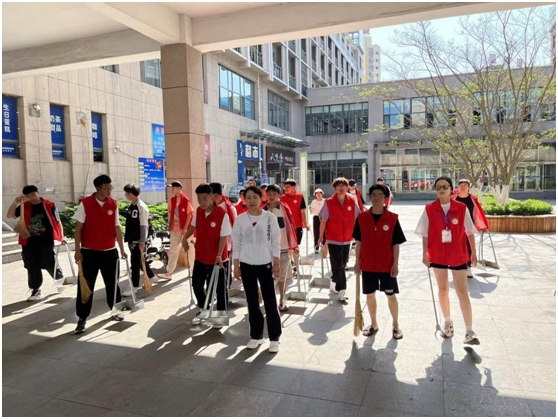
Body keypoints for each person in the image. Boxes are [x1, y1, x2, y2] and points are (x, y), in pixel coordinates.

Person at [415, 176, 480, 345]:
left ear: (452, 189)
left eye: (445, 186)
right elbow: (425, 233)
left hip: (458, 253)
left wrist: (473, 253)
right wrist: (425, 254)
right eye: (438, 187)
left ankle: (469, 330)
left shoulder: (461, 208)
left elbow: (469, 232)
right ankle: (447, 323)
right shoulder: (429, 209)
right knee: (443, 289)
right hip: (437, 253)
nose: (441, 189)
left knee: (462, 291)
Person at [73, 174, 128, 334]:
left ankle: (117, 310)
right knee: (86, 285)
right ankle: (82, 318)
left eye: (110, 187)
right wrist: (77, 251)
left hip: (110, 252)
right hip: (89, 252)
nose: (109, 191)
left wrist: (122, 249)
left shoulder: (113, 204)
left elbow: (117, 227)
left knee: (113, 283)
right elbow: (78, 228)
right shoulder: (85, 204)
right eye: (106, 188)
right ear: (97, 188)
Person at [232, 186, 282, 353]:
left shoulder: (269, 218)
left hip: (265, 263)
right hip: (246, 264)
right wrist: (236, 265)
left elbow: (275, 242)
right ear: (244, 199)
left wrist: (276, 264)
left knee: (270, 301)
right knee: (252, 301)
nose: (252, 201)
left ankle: (274, 338)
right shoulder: (240, 219)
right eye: (248, 197)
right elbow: (236, 243)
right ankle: (256, 336)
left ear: (261, 199)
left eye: (255, 197)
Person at [353, 184, 406, 339]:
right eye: (374, 195)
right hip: (368, 265)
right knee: (370, 295)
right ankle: (374, 324)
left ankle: (395, 325)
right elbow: (358, 241)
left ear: (386, 199)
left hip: (386, 265)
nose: (376, 198)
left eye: (380, 195)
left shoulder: (393, 218)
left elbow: (396, 244)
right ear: (369, 197)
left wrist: (395, 264)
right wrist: (357, 262)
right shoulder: (362, 218)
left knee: (391, 295)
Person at [183, 184, 232, 325]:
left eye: (205, 199)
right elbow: (193, 226)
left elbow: (223, 237)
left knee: (220, 289)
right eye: (199, 199)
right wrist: (184, 238)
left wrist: (219, 255)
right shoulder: (198, 211)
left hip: (218, 258)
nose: (202, 202)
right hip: (201, 256)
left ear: (212, 197)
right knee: (197, 285)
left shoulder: (222, 214)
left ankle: (220, 315)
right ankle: (204, 308)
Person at [6, 185, 66, 301]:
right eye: (28, 195)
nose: (32, 197)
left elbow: (58, 221)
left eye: (33, 194)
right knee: (31, 266)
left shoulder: (49, 205)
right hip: (28, 241)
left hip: (46, 241)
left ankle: (59, 278)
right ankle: (35, 290)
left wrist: (61, 236)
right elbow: (10, 216)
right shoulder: (24, 206)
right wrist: (15, 202)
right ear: (25, 196)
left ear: (38, 192)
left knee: (49, 263)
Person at [318, 177, 360, 301]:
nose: (341, 188)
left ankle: (333, 281)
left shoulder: (351, 201)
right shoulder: (329, 202)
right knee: (339, 265)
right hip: (333, 238)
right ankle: (342, 290)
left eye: (343, 186)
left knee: (343, 262)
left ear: (347, 187)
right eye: (338, 186)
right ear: (334, 188)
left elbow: (358, 218)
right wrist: (320, 237)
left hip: (347, 238)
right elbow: (323, 221)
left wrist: (359, 235)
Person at [264, 184, 299, 311]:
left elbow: (290, 227)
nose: (271, 196)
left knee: (282, 276)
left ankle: (281, 300)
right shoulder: (263, 210)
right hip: (266, 249)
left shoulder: (284, 209)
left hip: (282, 247)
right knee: (266, 276)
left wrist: (294, 245)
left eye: (274, 194)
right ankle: (269, 300)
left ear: (279, 195)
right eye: (269, 194)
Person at [122, 183, 156, 297]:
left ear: (131, 194)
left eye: (126, 193)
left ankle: (134, 286)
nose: (126, 195)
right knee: (139, 260)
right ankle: (152, 277)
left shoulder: (141, 206)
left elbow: (144, 225)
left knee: (135, 263)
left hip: (137, 240)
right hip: (132, 238)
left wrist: (142, 241)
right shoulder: (132, 205)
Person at [157, 181, 194, 282]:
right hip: (174, 229)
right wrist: (170, 227)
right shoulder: (172, 200)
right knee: (173, 251)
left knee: (189, 250)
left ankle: (192, 270)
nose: (172, 190)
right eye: (171, 188)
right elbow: (171, 213)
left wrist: (185, 228)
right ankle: (169, 273)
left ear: (179, 188)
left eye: (173, 188)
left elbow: (190, 214)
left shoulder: (185, 200)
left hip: (185, 230)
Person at [452, 179, 489, 278]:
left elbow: (478, 213)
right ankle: (458, 265)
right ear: (458, 187)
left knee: (468, 246)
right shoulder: (453, 199)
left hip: (468, 227)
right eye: (461, 185)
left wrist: (482, 226)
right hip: (455, 227)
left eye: (465, 185)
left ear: (469, 188)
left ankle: (468, 267)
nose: (463, 187)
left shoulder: (472, 199)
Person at [281, 179, 310, 245]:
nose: (286, 189)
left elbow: (302, 212)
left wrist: (305, 224)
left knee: (296, 245)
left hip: (297, 226)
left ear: (293, 187)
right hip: (285, 225)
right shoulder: (282, 198)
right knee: (287, 245)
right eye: (285, 187)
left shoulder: (300, 197)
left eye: (288, 187)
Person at [309, 188, 326, 252]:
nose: (318, 195)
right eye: (317, 193)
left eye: (320, 193)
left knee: (324, 232)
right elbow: (311, 211)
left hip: (323, 217)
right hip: (316, 217)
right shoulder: (313, 202)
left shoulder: (325, 201)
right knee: (316, 232)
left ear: (322, 194)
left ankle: (324, 246)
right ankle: (316, 247)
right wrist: (310, 209)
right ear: (315, 194)